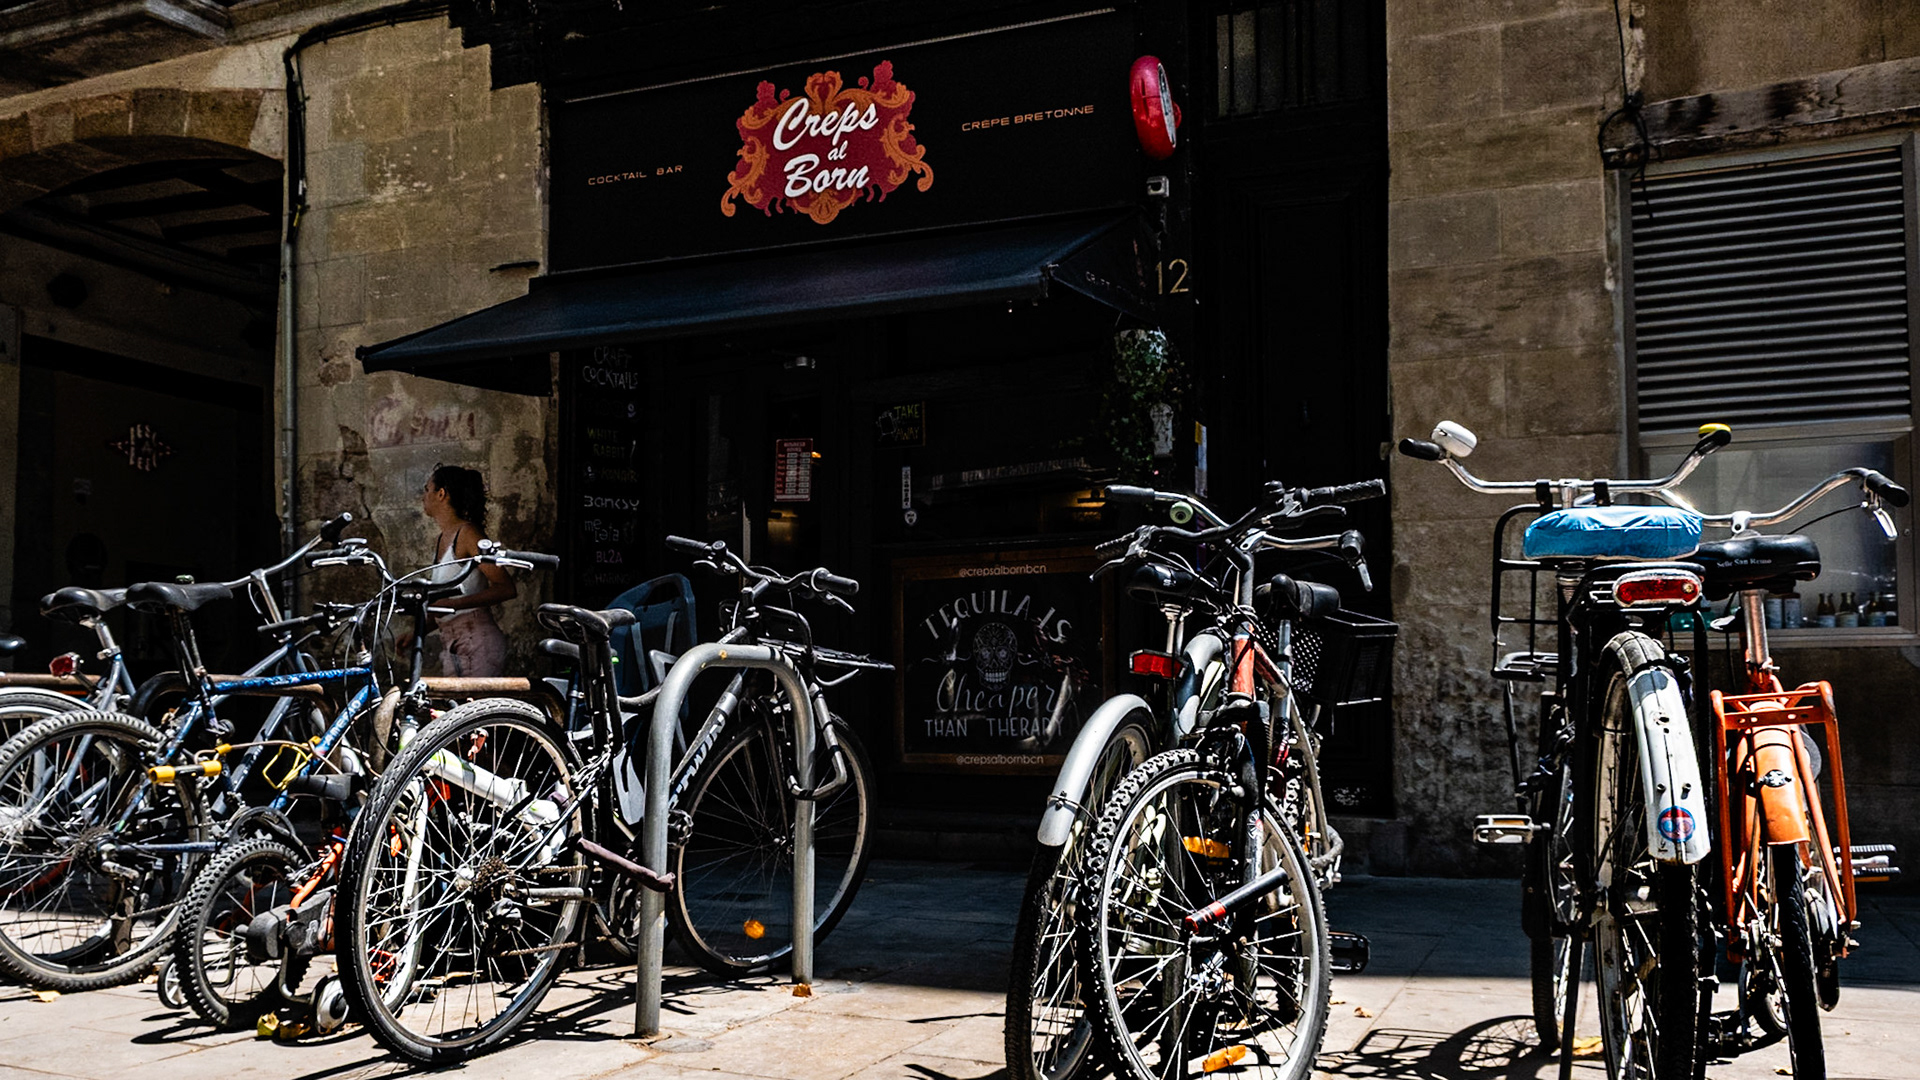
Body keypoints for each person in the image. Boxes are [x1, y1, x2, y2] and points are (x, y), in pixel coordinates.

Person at [417, 464, 516, 677]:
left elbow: (505, 588)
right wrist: (417, 632)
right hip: (453, 644)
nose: (423, 496)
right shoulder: (443, 538)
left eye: (427, 489)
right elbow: (445, 605)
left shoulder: (468, 534)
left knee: (471, 700)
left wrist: (454, 604)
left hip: (476, 642)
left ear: (441, 494)